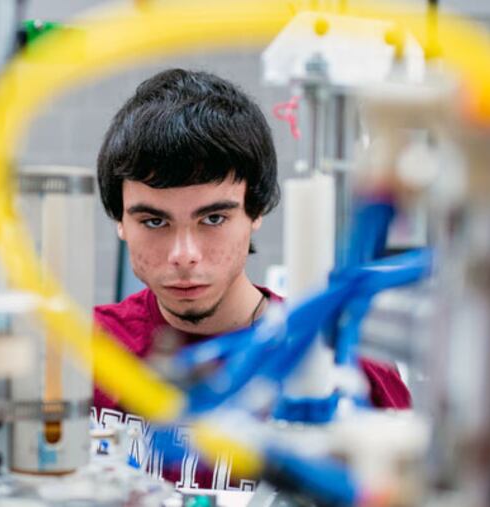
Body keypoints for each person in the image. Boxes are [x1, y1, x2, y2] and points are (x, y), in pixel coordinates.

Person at [92, 68, 410, 490]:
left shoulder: (343, 367)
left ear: (255, 212)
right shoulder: (84, 352)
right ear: (120, 221)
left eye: (214, 218)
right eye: (154, 221)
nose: (183, 255)